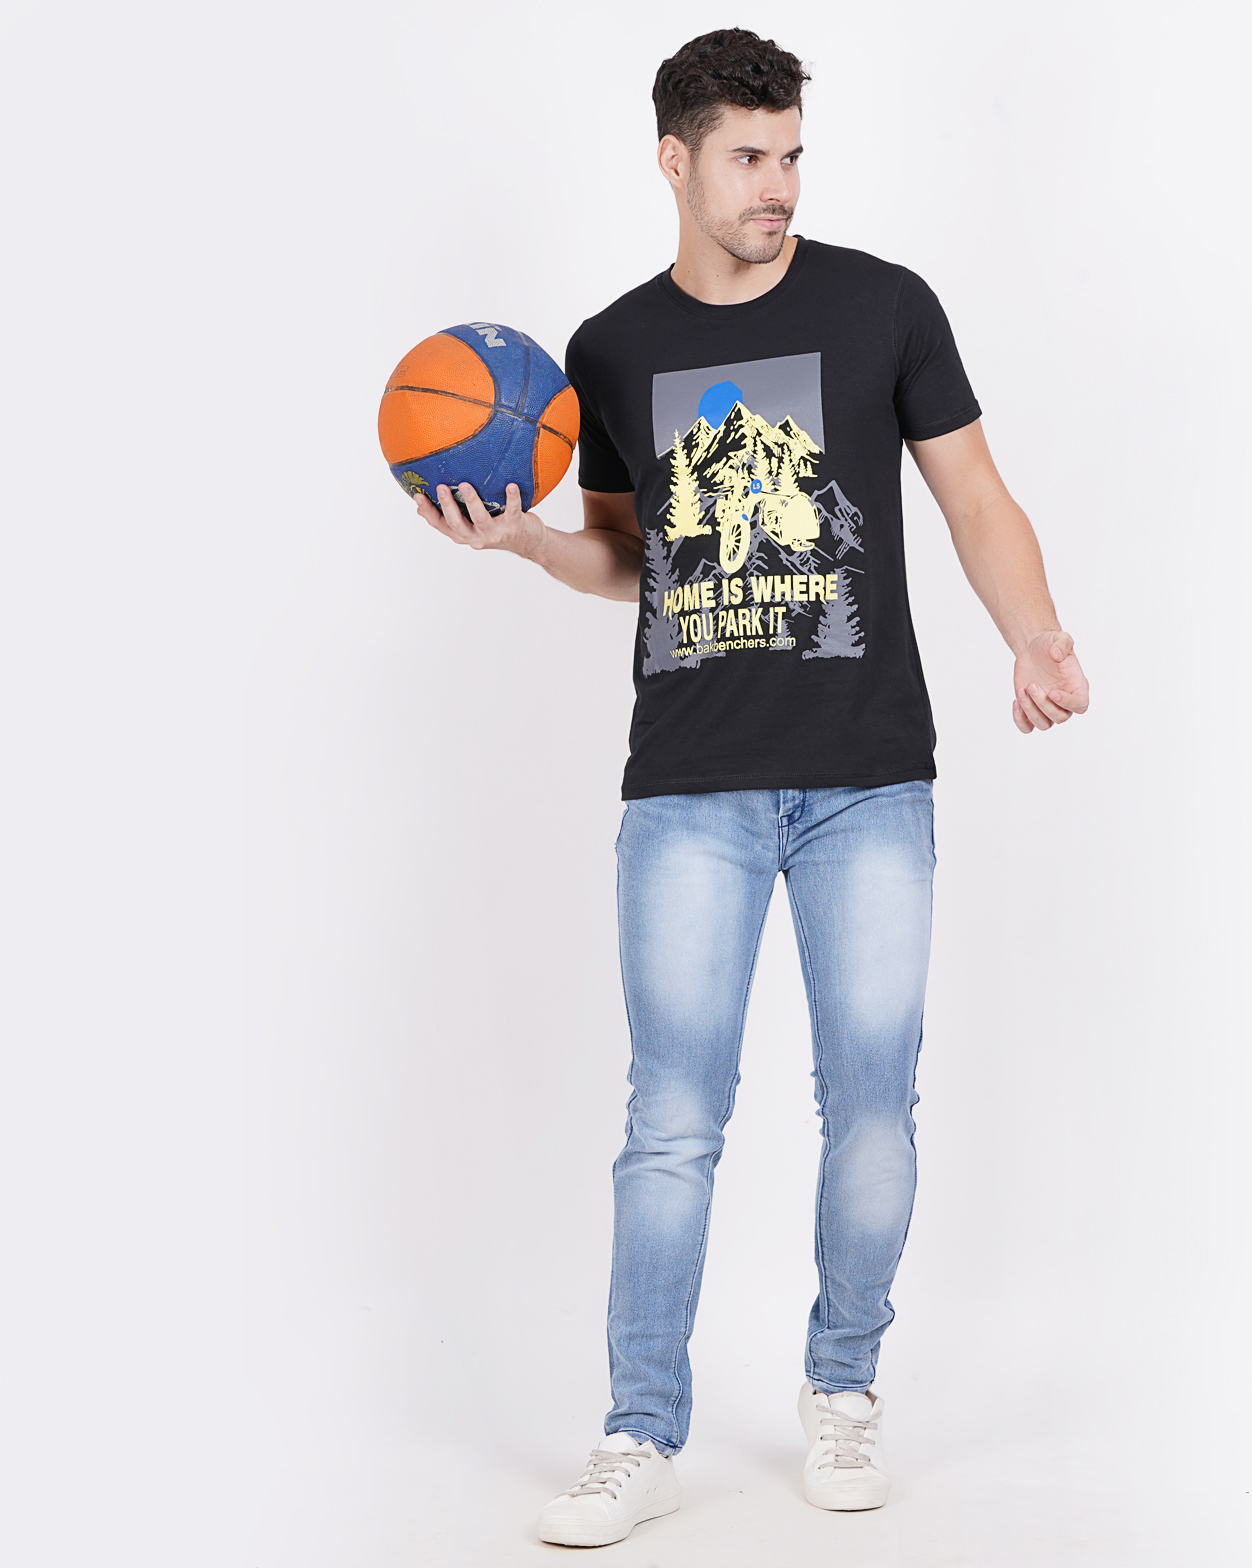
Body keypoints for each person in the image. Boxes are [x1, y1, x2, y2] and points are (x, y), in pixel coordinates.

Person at [414, 27, 1089, 1549]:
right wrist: (527, 543)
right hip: (690, 788)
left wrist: (1035, 633)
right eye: (747, 159)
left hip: (867, 780)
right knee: (670, 1121)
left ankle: (842, 1388)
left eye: (791, 156)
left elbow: (974, 495)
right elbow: (631, 557)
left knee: (873, 1108)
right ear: (676, 162)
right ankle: (637, 1430)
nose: (777, 185)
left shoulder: (883, 305)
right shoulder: (610, 348)